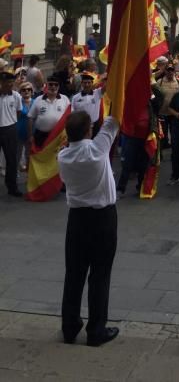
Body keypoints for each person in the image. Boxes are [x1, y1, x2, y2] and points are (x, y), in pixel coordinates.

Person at [58, 111, 120, 346]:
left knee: (74, 274)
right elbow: (114, 121)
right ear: (88, 131)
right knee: (100, 275)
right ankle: (96, 330)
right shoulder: (97, 149)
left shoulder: (62, 156)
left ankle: (70, 326)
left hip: (76, 219)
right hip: (103, 218)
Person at [27, 75, 71, 148]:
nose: (53, 87)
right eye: (50, 84)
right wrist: (30, 135)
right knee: (41, 156)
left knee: (57, 157)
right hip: (41, 136)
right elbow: (30, 118)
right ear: (46, 85)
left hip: (58, 137)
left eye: (56, 85)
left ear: (59, 86)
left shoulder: (65, 99)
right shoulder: (38, 99)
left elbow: (69, 117)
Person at [0, 71, 23, 196]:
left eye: (10, 82)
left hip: (10, 129)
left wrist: (11, 121)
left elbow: (18, 112)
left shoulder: (16, 96)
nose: (9, 85)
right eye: (6, 82)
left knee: (12, 159)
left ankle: (12, 187)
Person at [16, 80, 34, 172]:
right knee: (17, 154)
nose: (26, 91)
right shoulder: (17, 102)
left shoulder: (36, 102)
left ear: (32, 91)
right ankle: (15, 172)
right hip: (18, 132)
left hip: (31, 133)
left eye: (29, 89)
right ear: (20, 92)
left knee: (29, 154)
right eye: (23, 90)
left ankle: (29, 173)